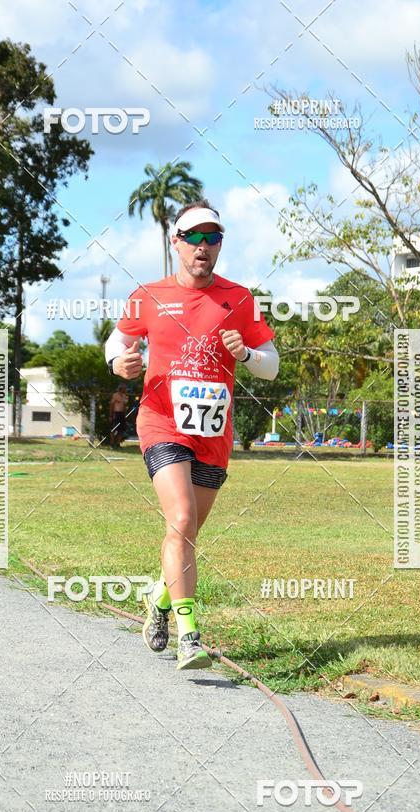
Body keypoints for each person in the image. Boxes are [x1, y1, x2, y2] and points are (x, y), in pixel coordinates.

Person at [105, 200, 279, 670]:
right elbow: (118, 341)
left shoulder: (239, 299)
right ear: (176, 242)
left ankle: (159, 600)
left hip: (213, 432)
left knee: (186, 532)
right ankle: (190, 637)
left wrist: (247, 356)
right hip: (161, 421)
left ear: (220, 244)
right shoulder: (148, 295)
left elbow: (271, 364)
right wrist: (118, 362)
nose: (204, 246)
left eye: (212, 238)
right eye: (194, 238)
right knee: (181, 518)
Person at [109, 383, 128, 448]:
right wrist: (111, 415)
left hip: (122, 414)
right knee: (113, 429)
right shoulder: (115, 395)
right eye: (124, 388)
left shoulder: (124, 396)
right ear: (121, 389)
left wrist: (125, 415)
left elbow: (124, 406)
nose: (125, 390)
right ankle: (112, 444)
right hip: (116, 413)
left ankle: (118, 444)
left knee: (121, 430)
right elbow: (112, 405)